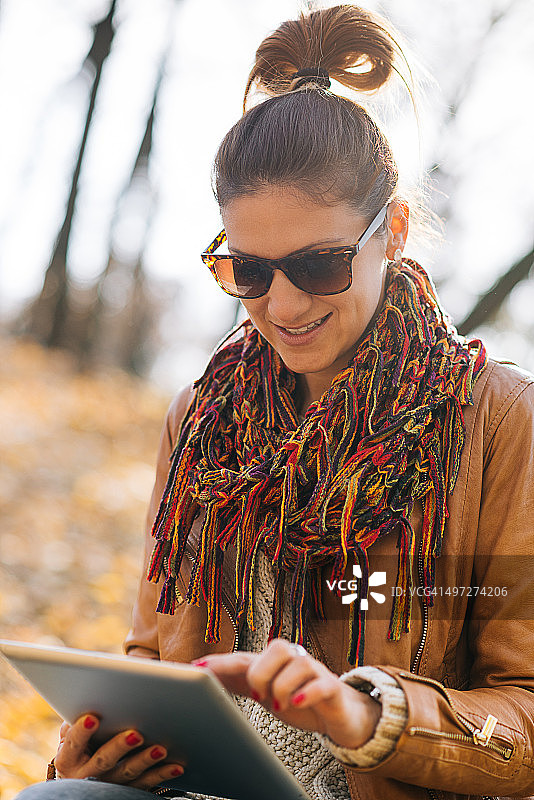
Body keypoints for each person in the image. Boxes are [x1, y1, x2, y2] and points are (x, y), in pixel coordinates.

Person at [16, 5, 534, 800]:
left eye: (319, 265)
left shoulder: (499, 420)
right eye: (248, 271)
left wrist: (366, 715)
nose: (282, 305)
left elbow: (524, 717)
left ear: (392, 231)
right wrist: (87, 753)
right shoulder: (200, 418)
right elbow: (153, 656)